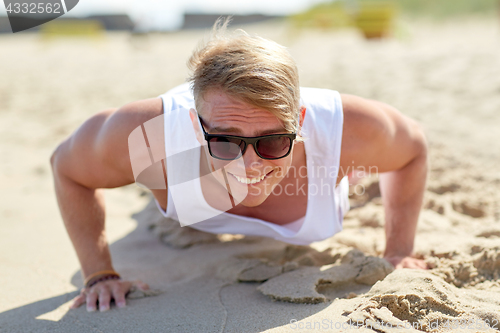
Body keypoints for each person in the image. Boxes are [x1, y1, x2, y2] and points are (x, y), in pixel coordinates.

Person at [50, 20, 428, 313]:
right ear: (197, 128)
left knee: (353, 172)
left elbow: (414, 151)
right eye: (226, 141)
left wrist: (398, 248)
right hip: (176, 169)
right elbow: (66, 169)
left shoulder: (349, 131)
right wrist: (99, 274)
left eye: (272, 141)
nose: (250, 165)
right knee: (156, 181)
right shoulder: (146, 137)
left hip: (325, 161)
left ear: (299, 120)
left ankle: (348, 176)